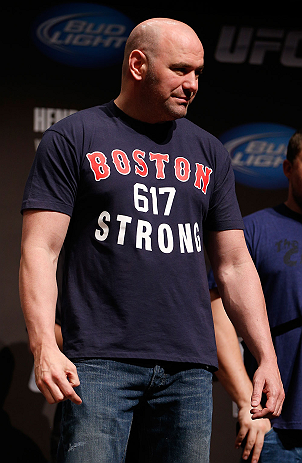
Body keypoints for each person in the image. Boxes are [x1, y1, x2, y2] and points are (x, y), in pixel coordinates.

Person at [19, 18, 284, 463]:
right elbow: (40, 249)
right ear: (138, 64)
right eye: (181, 69)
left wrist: (266, 357)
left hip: (190, 369)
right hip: (100, 364)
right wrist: (44, 344)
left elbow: (235, 264)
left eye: (198, 72)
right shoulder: (75, 137)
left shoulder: (209, 152)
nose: (193, 83)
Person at [209, 129, 302, 462]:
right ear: (288, 168)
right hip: (276, 429)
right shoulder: (254, 231)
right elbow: (215, 313)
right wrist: (247, 400)